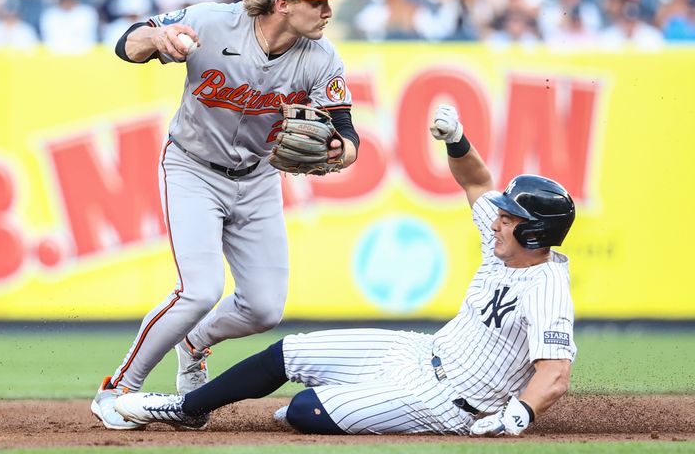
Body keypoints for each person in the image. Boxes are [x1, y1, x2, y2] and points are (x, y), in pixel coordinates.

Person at [112, 103, 577, 436]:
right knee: (285, 354)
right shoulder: (505, 246)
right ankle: (185, 409)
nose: (496, 221)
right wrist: (457, 140)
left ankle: (350, 401)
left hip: (448, 403)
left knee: (302, 412)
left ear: (534, 234)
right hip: (420, 351)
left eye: (510, 219)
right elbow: (477, 181)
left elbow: (554, 374)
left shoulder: (547, 289)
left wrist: (519, 415)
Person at [90, 0, 359, 430]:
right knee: (199, 290)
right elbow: (125, 43)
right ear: (282, 3)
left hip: (256, 179)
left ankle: (193, 343)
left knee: (264, 308)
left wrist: (341, 150)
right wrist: (157, 38)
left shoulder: (321, 58)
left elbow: (347, 132)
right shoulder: (211, 22)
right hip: (192, 168)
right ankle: (118, 389)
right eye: (316, 2)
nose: (327, 11)